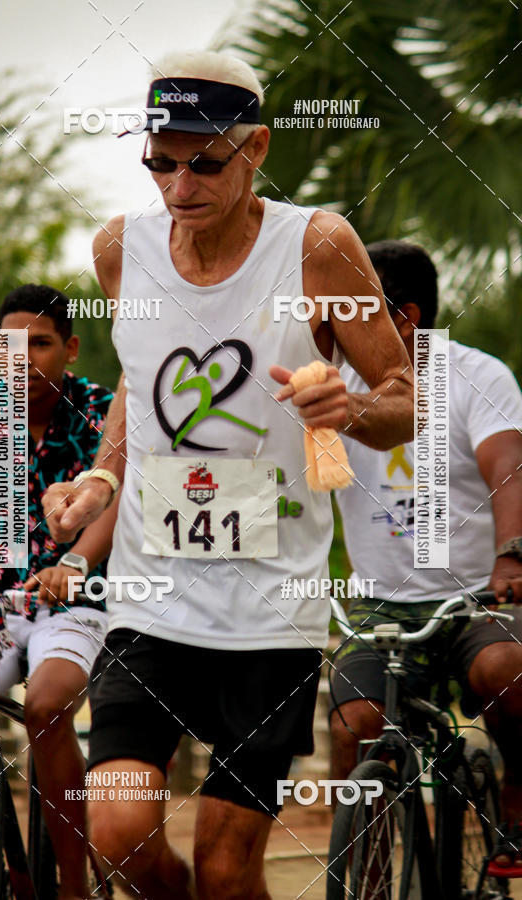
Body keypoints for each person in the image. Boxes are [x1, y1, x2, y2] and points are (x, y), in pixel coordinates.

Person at [42, 51, 414, 899]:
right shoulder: (118, 250)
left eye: (205, 162)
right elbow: (140, 387)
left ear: (257, 149)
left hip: (270, 611)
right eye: (160, 163)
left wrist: (345, 413)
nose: (180, 185)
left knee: (222, 866)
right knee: (119, 832)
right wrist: (99, 479)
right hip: (152, 595)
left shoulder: (317, 246)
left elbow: (403, 398)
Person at [330, 240, 522, 874]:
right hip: (379, 606)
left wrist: (511, 559)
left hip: (474, 599)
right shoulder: (336, 386)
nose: (339, 324)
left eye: (356, 308)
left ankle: (516, 800)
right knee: (354, 720)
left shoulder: (478, 376)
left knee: (504, 668)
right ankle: (369, 874)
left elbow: (508, 471)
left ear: (404, 316)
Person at [0, 284, 117, 900]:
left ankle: (75, 887)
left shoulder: (103, 411)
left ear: (71, 349)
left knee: (48, 707)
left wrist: (78, 561)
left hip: (77, 602)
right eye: (10, 345)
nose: (24, 358)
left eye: (41, 343)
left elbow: (117, 503)